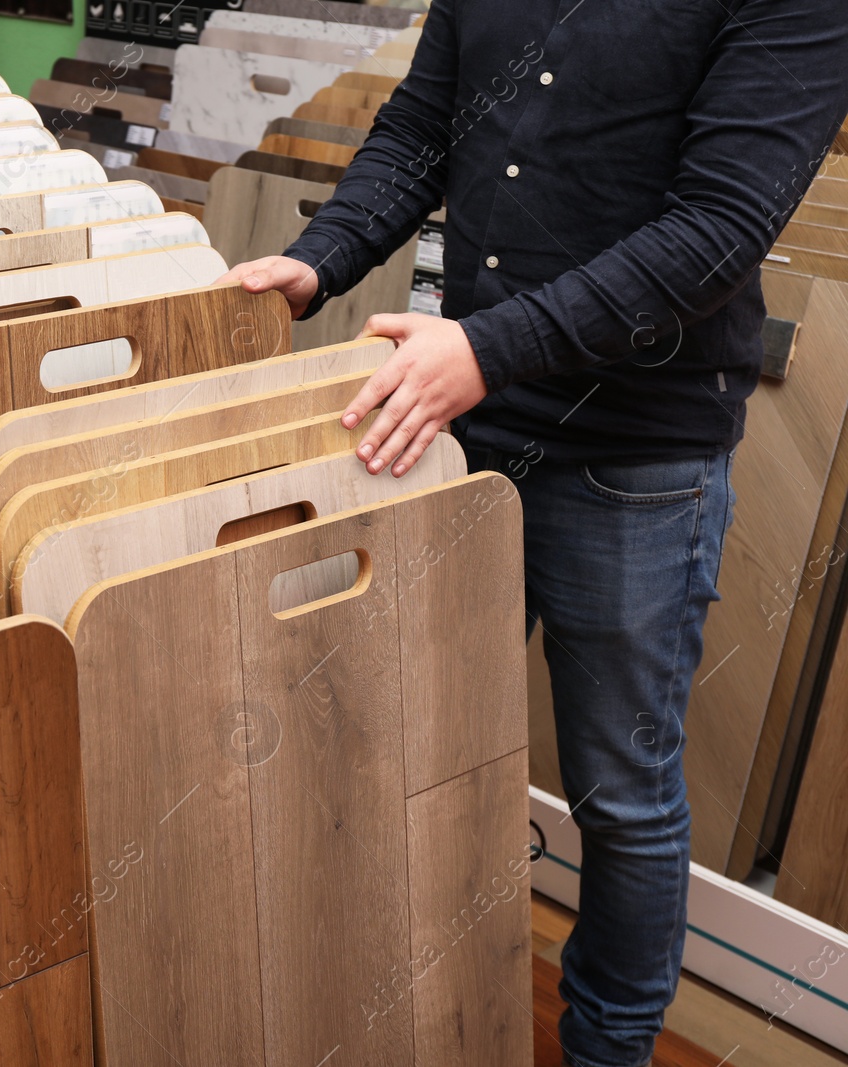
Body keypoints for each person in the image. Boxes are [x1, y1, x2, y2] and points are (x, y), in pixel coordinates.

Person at [218, 0, 848, 1063]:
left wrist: (485, 348)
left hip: (633, 458)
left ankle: (606, 1049)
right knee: (404, 752)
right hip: (466, 431)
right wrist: (319, 258)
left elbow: (716, 230)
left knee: (621, 797)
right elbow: (425, 129)